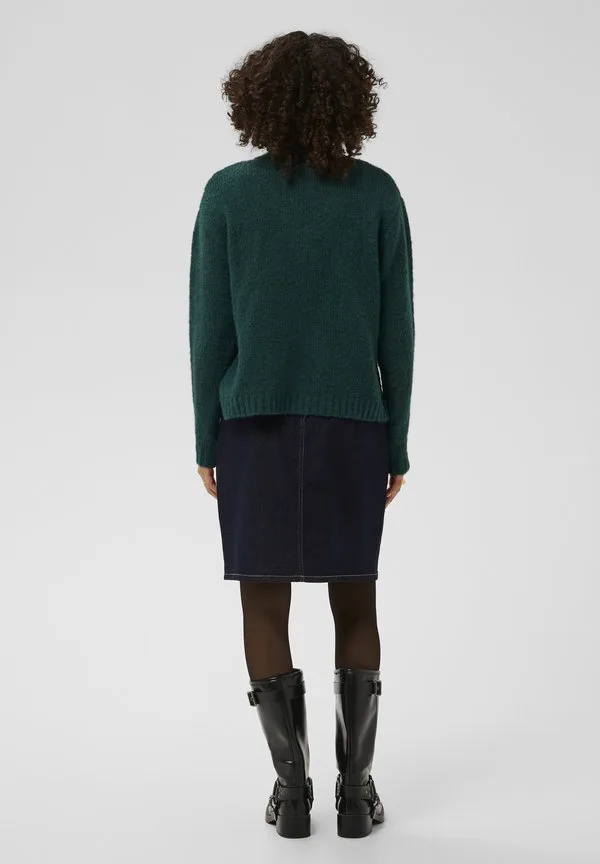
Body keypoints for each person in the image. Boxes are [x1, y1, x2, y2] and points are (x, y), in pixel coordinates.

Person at [188, 31, 415, 839]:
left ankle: (292, 797)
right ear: (352, 101)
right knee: (356, 598)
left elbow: (209, 331)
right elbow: (397, 334)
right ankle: (356, 794)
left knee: (264, 603)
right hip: (355, 426)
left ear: (256, 100)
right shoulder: (377, 194)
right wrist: (396, 443)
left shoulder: (226, 195)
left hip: (253, 429)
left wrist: (206, 438)